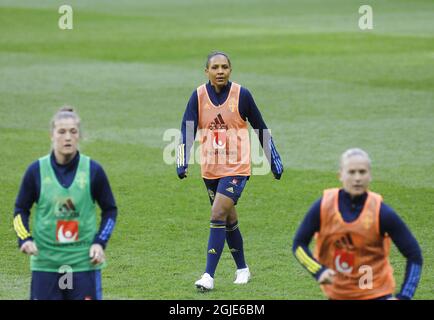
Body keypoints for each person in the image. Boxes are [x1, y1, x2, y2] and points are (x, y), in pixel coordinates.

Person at [176, 51, 284, 291]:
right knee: (228, 220)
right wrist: (182, 161)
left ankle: (208, 276)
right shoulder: (198, 96)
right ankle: (243, 268)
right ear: (207, 71)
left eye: (224, 67)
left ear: (230, 69)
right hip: (211, 170)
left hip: (237, 168)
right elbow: (186, 129)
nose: (220, 71)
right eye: (215, 67)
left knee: (217, 214)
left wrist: (273, 159)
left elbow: (260, 127)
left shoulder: (242, 95)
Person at [13, 107, 117, 300]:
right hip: (46, 264)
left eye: (73, 131)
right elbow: (21, 209)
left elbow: (110, 210)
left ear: (80, 136)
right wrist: (25, 238)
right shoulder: (36, 171)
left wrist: (100, 242)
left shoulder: (93, 171)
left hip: (83, 264)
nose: (67, 137)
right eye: (61, 132)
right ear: (51, 135)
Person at [292, 148, 423, 300]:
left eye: (362, 172)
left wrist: (404, 297)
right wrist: (318, 271)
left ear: (370, 175)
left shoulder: (382, 213)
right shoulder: (323, 206)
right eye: (351, 172)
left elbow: (414, 255)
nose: (357, 178)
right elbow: (299, 244)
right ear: (340, 175)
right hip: (339, 295)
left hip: (376, 294)